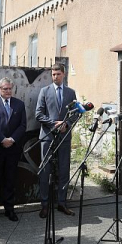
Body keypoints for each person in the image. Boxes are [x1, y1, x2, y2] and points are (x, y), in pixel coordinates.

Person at [35, 63, 77, 218]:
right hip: (47, 136)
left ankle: (62, 203)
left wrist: (67, 124)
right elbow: (38, 114)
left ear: (63, 74)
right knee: (45, 170)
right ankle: (44, 204)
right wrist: (54, 124)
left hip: (64, 137)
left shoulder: (71, 93)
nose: (55, 77)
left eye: (58, 74)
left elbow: (75, 113)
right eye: (53, 74)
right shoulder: (44, 92)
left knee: (64, 169)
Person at [0, 77, 27, 223]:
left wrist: (12, 140)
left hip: (13, 150)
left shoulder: (19, 104)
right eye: (5, 89)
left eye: (10, 88)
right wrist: (2, 140)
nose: (8, 91)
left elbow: (22, 126)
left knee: (10, 180)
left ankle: (10, 209)